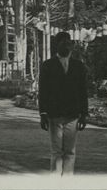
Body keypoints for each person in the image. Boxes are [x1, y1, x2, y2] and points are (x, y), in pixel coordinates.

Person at [38, 31, 89, 176]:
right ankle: (55, 182)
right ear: (56, 45)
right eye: (63, 43)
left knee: (70, 151)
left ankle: (67, 182)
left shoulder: (78, 66)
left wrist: (84, 114)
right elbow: (43, 91)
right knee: (56, 151)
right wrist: (42, 113)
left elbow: (83, 91)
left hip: (73, 115)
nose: (66, 46)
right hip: (54, 115)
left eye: (69, 43)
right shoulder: (48, 65)